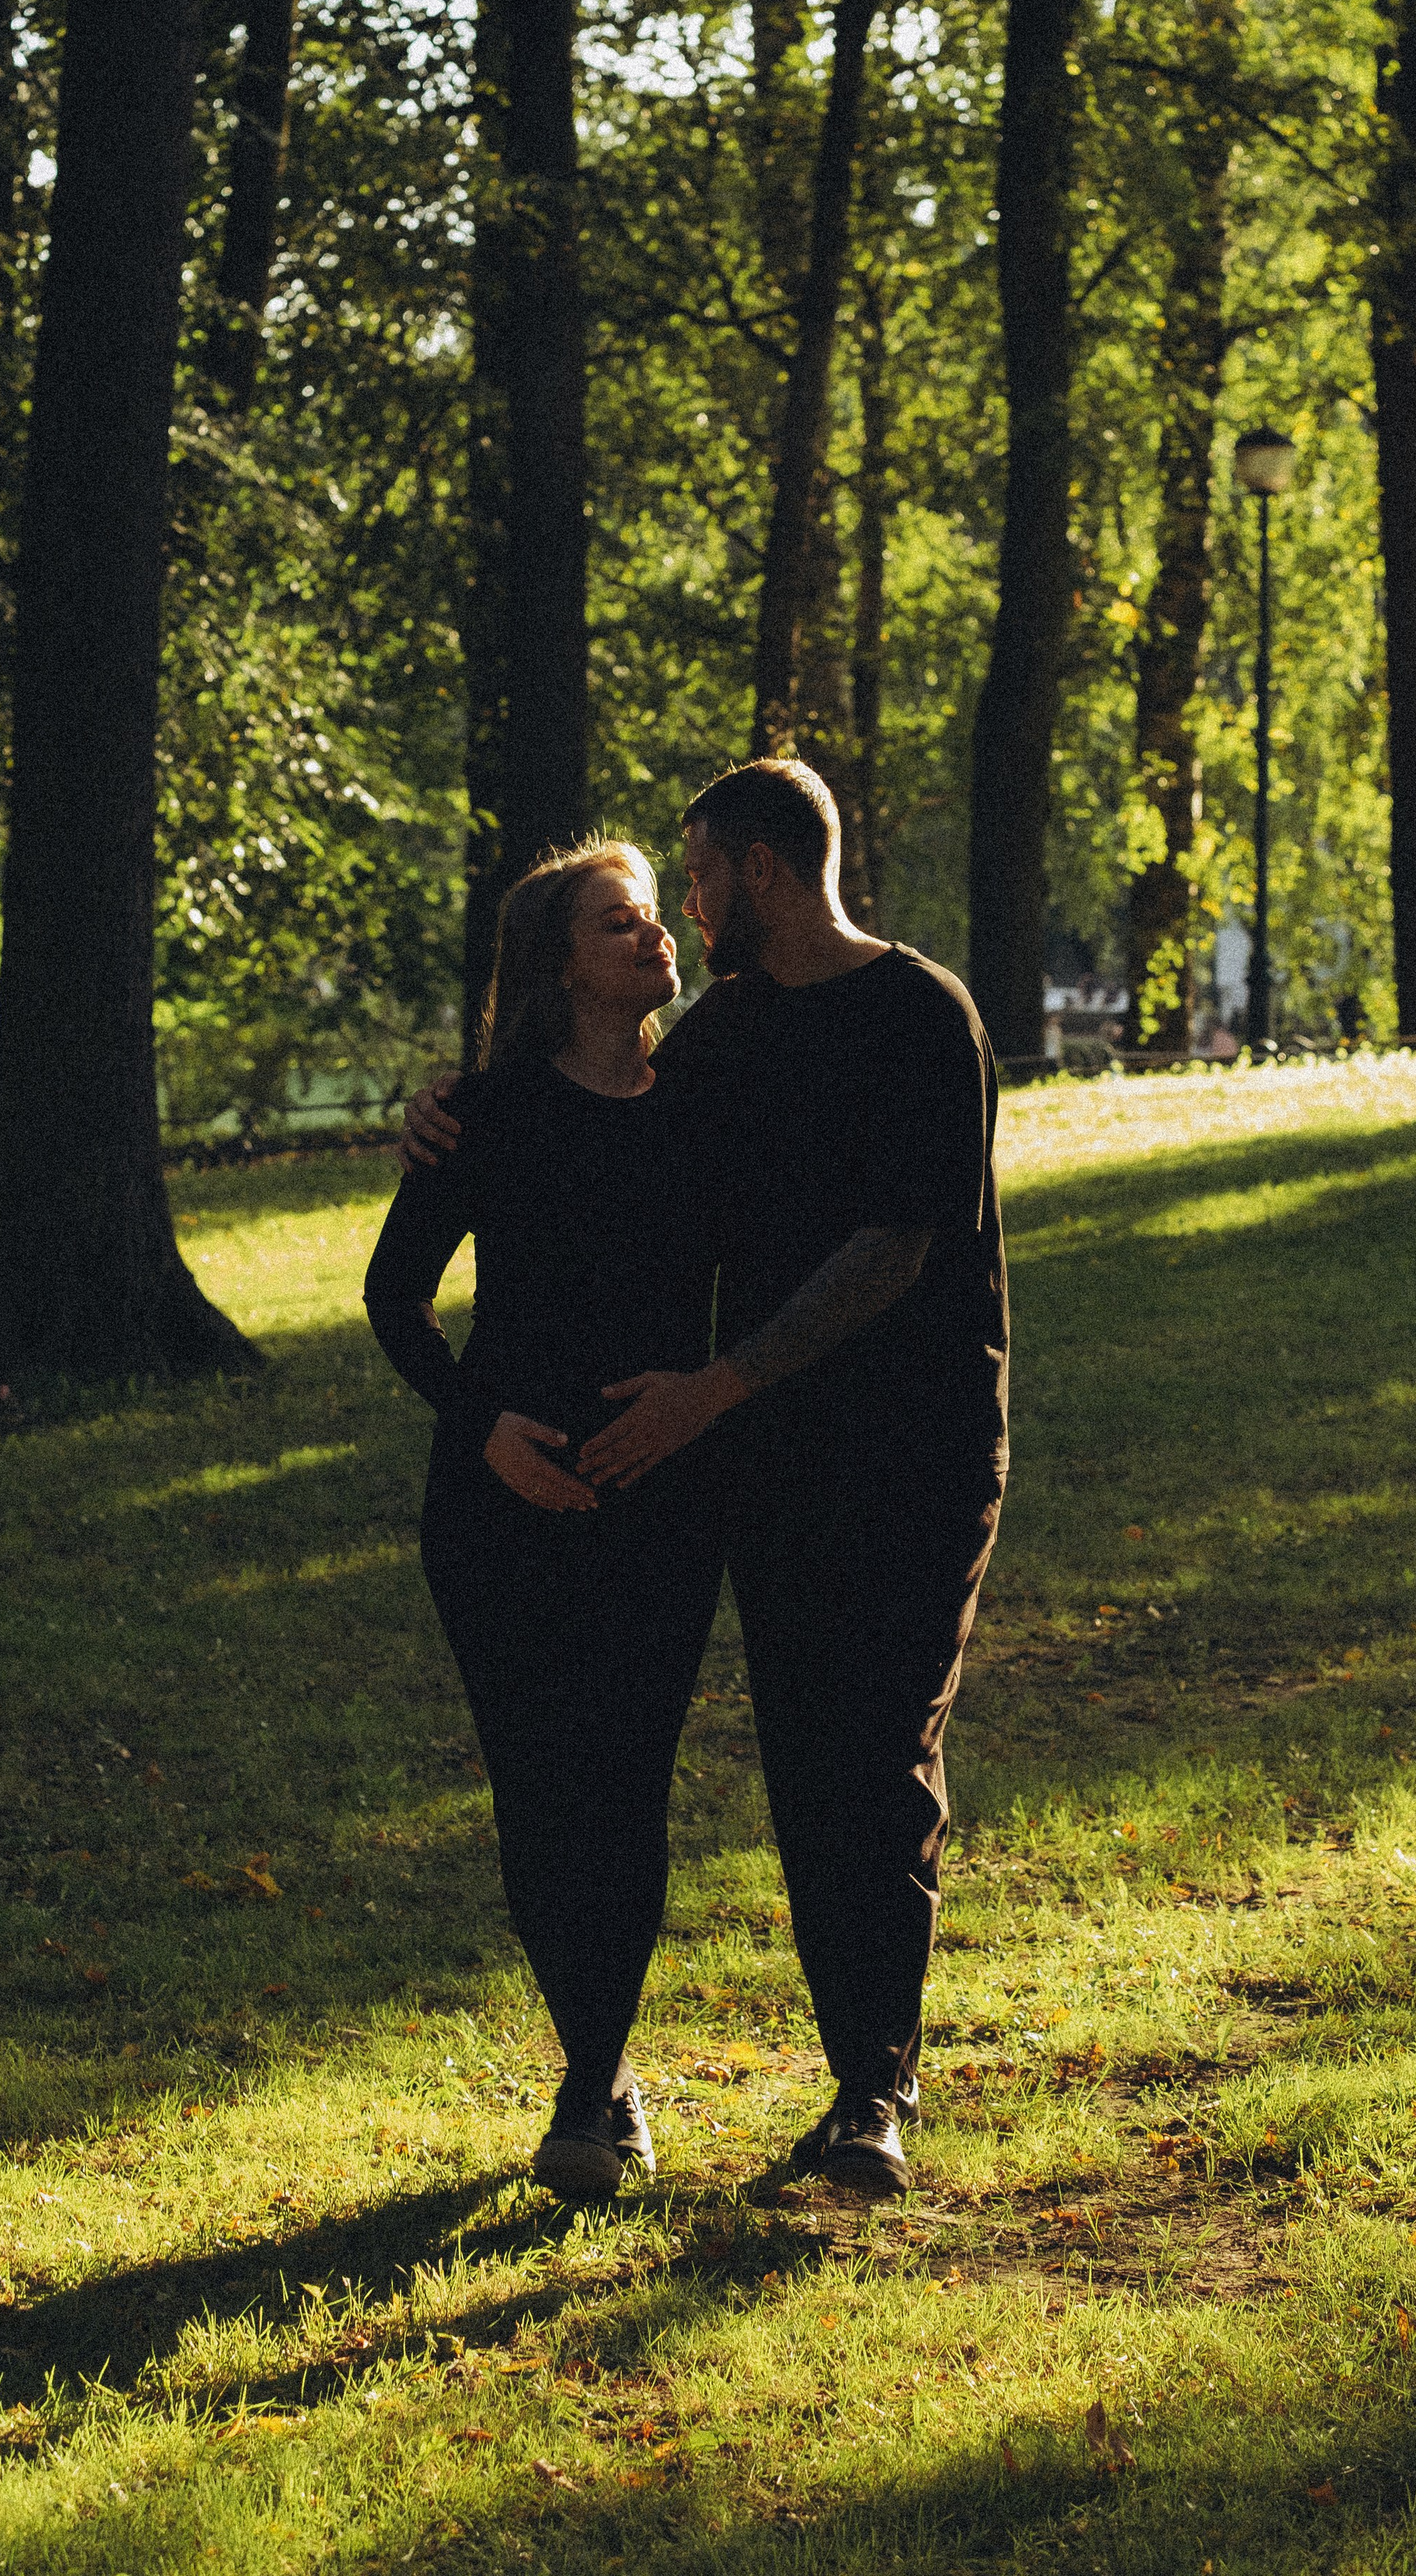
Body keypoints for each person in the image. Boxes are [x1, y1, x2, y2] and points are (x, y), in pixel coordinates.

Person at [400, 760, 1009, 2196]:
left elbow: (893, 1247)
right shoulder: (728, 1033)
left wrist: (718, 1388)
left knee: (879, 1757)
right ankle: (810, 2085)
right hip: (767, 1466)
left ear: (762, 871)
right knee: (807, 1764)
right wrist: (444, 1113)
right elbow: (587, 1114)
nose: (685, 909)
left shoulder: (924, 1014)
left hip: (915, 1448)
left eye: (699, 877)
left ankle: (874, 2096)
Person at [363, 841, 724, 2203]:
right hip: (497, 1508)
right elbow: (396, 1299)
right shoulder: (485, 1115)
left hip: (659, 1499)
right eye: (621, 923)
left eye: (655, 921)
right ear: (557, 962)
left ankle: (591, 2082)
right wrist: (486, 1430)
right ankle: (603, 2069)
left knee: (626, 1784)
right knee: (540, 1791)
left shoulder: (704, 1102)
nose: (655, 939)